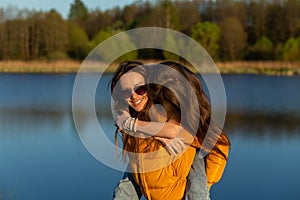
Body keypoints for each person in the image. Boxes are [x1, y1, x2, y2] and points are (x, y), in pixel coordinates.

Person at [111, 61, 230, 199]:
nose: (134, 96)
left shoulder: (169, 116)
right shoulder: (129, 114)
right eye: (126, 92)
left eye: (140, 89)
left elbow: (219, 142)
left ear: (149, 86)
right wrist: (157, 136)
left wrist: (202, 187)